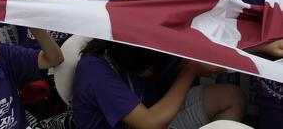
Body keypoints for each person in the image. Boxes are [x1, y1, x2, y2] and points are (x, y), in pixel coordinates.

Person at [72, 39, 246, 129]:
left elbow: (175, 64)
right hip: (149, 121)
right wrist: (191, 70)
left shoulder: (140, 45)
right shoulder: (95, 70)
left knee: (232, 97)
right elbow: (150, 124)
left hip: (155, 111)